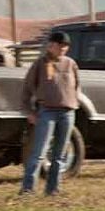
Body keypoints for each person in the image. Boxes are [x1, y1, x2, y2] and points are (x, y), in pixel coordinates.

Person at [20, 30, 81, 195]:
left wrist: (75, 103)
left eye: (65, 46)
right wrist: (29, 112)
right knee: (39, 152)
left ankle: (53, 189)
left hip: (67, 113)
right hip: (46, 112)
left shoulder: (70, 64)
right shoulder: (40, 64)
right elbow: (26, 89)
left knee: (59, 154)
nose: (62, 48)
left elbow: (77, 86)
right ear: (50, 45)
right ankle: (27, 188)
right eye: (59, 45)